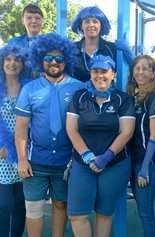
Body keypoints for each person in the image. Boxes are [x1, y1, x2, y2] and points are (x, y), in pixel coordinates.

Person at [14, 33, 84, 237]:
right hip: (36, 161)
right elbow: (21, 129)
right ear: (40, 60)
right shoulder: (29, 89)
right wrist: (21, 160)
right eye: (48, 58)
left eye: (59, 58)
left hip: (66, 162)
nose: (54, 62)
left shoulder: (79, 88)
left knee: (61, 205)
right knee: (34, 208)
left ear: (67, 60)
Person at [66, 55, 135, 237]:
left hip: (114, 164)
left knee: (104, 214)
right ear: (90, 73)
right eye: (95, 71)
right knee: (77, 214)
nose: (99, 75)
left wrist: (106, 157)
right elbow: (71, 129)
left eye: (104, 71)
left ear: (113, 73)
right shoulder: (79, 96)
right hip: (83, 163)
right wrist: (87, 155)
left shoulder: (123, 99)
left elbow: (126, 132)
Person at [127, 55, 155, 237]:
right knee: (142, 210)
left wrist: (145, 168)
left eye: (145, 68)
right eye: (137, 68)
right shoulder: (133, 98)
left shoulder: (154, 99)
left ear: (153, 73)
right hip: (133, 161)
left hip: (148, 163)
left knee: (145, 211)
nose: (140, 72)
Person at [0, 44, 30, 237]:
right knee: (3, 205)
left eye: (17, 60)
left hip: (24, 152)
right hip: (2, 155)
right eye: (8, 59)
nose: (12, 63)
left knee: (21, 204)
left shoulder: (29, 88)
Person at [71, 6, 133, 82]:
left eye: (95, 21)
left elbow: (135, 70)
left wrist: (129, 56)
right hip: (76, 93)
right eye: (87, 21)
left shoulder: (112, 49)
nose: (91, 25)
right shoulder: (71, 49)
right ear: (81, 26)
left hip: (106, 93)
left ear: (101, 25)